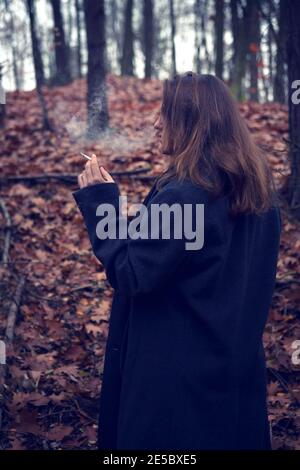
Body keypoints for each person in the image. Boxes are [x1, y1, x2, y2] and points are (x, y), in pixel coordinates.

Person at [72, 72, 281, 450]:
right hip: (230, 368)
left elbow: (130, 272)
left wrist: (102, 203)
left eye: (164, 112)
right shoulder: (257, 188)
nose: (155, 121)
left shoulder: (187, 195)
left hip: (174, 385)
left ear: (190, 120)